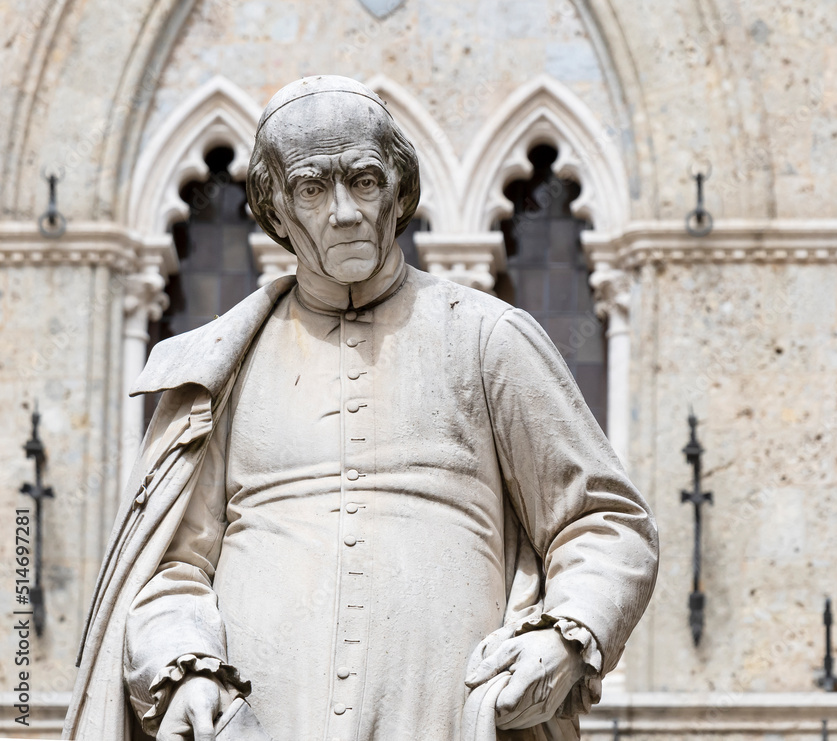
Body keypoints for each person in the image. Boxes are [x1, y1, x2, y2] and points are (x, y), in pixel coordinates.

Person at [64, 76, 658, 741]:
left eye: (365, 180)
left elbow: (605, 520)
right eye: (313, 189)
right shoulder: (224, 367)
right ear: (277, 210)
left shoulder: (490, 337)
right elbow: (170, 567)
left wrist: (567, 635)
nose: (344, 211)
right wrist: (185, 667)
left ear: (399, 190)